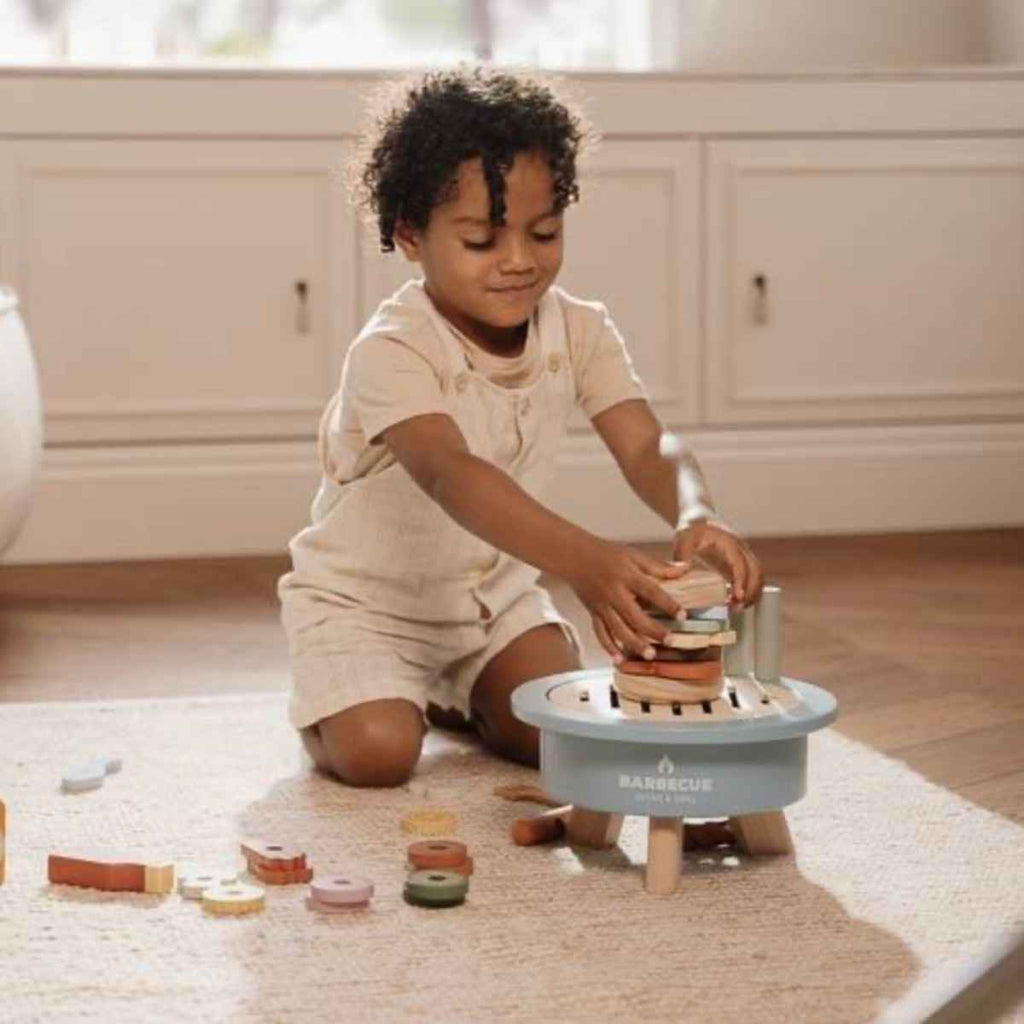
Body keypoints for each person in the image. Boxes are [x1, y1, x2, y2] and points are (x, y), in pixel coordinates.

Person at [278, 66, 763, 788]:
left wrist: (697, 509)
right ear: (411, 235)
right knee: (379, 754)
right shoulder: (393, 348)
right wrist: (586, 563)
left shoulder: (580, 329)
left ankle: (458, 697)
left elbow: (645, 442)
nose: (518, 261)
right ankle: (349, 701)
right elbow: (452, 475)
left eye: (544, 232)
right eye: (480, 240)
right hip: (367, 609)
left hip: (492, 606)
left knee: (556, 731)